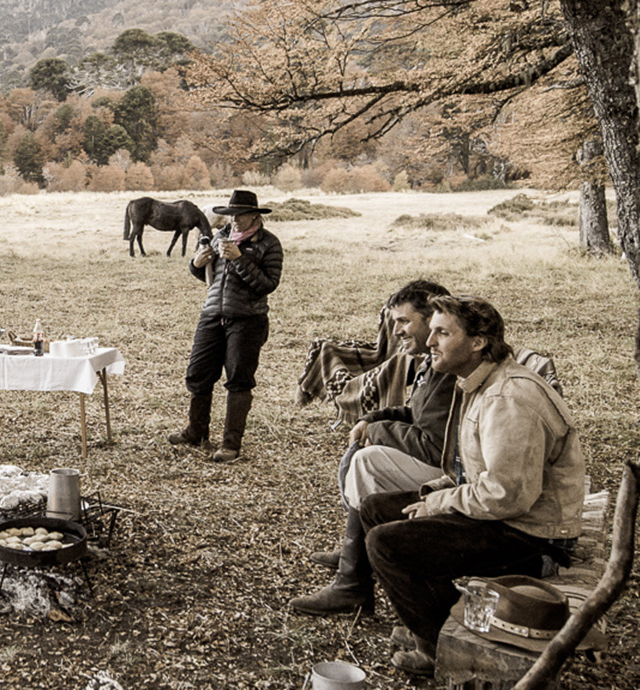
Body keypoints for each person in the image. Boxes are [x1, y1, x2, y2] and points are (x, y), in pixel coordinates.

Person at [289, 295, 586, 676]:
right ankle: (424, 613)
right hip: (505, 517)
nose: (430, 342)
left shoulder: (507, 399)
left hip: (532, 537)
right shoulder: (478, 383)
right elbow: (472, 471)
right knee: (375, 509)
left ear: (478, 342)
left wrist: (439, 502)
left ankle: (435, 648)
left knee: (387, 543)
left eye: (442, 333)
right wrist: (434, 492)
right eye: (431, 332)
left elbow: (507, 496)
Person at [304, 280, 458, 576]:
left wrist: (376, 432)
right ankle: (359, 550)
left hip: (454, 475)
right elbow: (419, 414)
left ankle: (354, 574)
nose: (396, 331)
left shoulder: (447, 367)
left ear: (433, 319)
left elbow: (434, 447)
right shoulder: (430, 361)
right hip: (443, 463)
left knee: (367, 461)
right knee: (364, 455)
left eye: (404, 321)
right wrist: (373, 418)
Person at [165, 190, 284, 462]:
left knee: (239, 380)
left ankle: (231, 443)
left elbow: (268, 284)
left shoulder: (269, 243)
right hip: (212, 314)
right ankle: (196, 431)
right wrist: (196, 264)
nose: (235, 220)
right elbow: (210, 276)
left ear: (255, 215)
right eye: (231, 215)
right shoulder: (220, 236)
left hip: (247, 319)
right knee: (198, 373)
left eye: (241, 215)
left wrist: (239, 259)